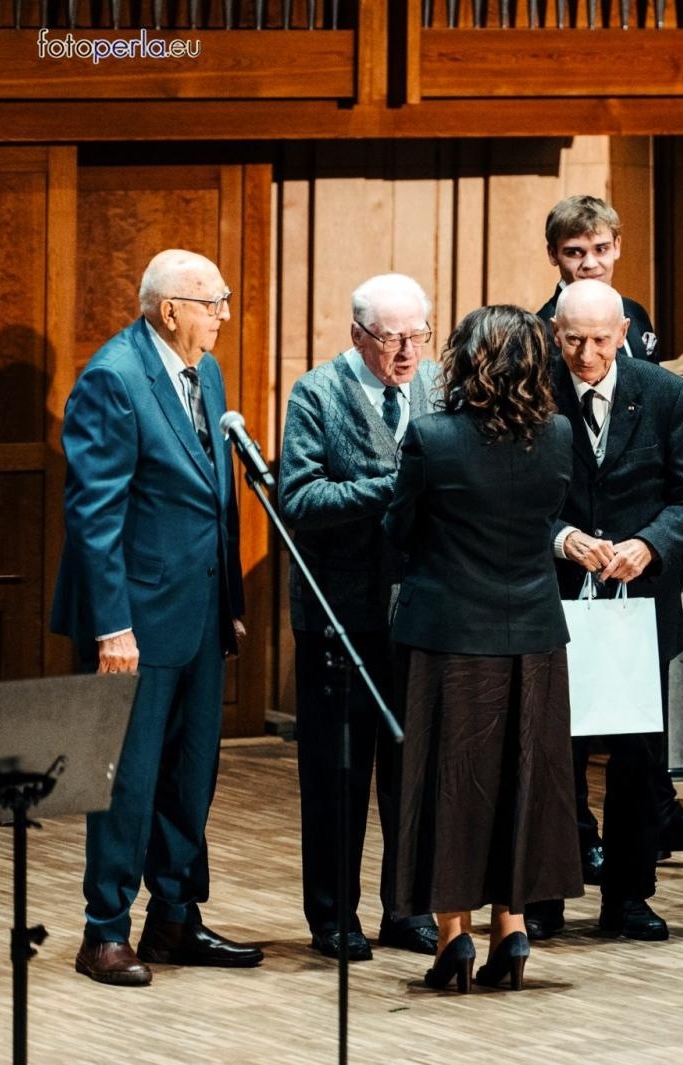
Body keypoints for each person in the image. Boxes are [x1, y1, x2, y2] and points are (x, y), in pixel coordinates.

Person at [52, 248, 262, 986]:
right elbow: (95, 514)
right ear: (170, 309)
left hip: (199, 613)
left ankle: (175, 917)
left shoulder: (204, 371)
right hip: (135, 620)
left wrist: (229, 605)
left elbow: (216, 498)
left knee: (191, 774)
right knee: (128, 779)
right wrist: (112, 626)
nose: (224, 317)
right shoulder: (113, 378)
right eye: (214, 303)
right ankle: (103, 931)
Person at [387, 305, 579, 994]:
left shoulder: (433, 436)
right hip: (533, 636)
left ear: (465, 361)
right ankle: (514, 924)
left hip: (447, 638)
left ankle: (453, 937)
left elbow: (398, 530)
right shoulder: (559, 435)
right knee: (522, 779)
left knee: (451, 785)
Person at [525, 279, 683, 943]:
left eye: (600, 340)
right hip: (555, 596)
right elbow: (515, 494)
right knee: (554, 753)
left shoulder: (661, 393)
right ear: (554, 334)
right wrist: (558, 537)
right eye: (572, 339)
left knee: (640, 754)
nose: (586, 352)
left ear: (623, 333)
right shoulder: (533, 388)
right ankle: (546, 890)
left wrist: (648, 544)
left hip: (637, 601)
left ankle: (628, 894)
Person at [277, 273, 441, 960]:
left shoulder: (436, 387)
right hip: (338, 618)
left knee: (412, 772)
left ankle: (407, 907)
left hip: (420, 616)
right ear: (357, 333)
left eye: (417, 335)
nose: (406, 351)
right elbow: (300, 497)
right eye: (390, 337)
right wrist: (395, 486)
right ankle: (333, 916)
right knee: (338, 774)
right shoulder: (316, 393)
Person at [537, 194, 660, 363]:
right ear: (552, 254)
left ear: (617, 246)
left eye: (601, 249)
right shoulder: (537, 334)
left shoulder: (635, 313)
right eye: (574, 252)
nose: (590, 264)